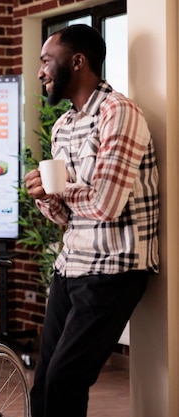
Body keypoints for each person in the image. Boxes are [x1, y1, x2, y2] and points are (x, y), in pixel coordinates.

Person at [26, 24, 159, 417]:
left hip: (115, 268)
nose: (40, 72)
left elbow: (105, 205)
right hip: (70, 266)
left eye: (47, 61)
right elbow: (68, 218)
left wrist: (60, 187)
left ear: (78, 62)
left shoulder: (119, 112)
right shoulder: (63, 126)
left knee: (66, 378)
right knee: (45, 380)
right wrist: (45, 196)